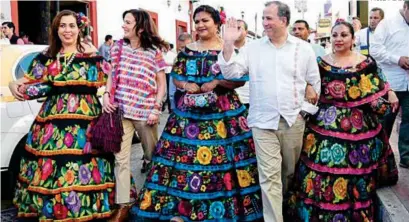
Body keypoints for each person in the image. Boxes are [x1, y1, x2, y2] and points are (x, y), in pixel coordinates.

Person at [131, 5, 263, 221]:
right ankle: (180, 210)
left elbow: (240, 78)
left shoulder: (228, 49)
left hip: (224, 116)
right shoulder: (187, 50)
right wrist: (185, 85)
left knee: (221, 162)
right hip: (188, 117)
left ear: (217, 23)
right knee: (184, 161)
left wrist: (218, 82)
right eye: (197, 21)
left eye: (205, 21)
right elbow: (176, 76)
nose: (200, 25)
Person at [9, 10, 120, 221]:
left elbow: (110, 76)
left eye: (71, 26)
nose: (67, 30)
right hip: (53, 120)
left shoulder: (90, 52)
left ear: (79, 29)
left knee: (83, 163)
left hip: (86, 118)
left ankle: (83, 208)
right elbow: (26, 79)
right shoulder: (48, 55)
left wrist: (106, 94)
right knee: (56, 164)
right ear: (56, 30)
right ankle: (56, 209)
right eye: (62, 26)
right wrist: (12, 84)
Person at [285, 20, 399, 222]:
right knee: (323, 164)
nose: (338, 39)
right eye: (335, 35)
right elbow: (303, 81)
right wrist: (309, 87)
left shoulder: (365, 62)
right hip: (325, 121)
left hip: (359, 122)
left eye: (344, 35)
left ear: (353, 39)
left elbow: (379, 79)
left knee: (357, 165)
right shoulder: (320, 62)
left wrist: (390, 93)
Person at [218, 1, 321, 221]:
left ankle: (285, 206)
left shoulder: (303, 49)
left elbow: (314, 82)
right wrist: (228, 43)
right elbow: (232, 72)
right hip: (262, 121)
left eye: (269, 18)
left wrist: (304, 110)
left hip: (293, 120)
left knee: (288, 173)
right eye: (263, 18)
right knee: (269, 176)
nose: (264, 23)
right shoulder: (253, 48)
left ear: (283, 21)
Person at [102, 9, 167, 221]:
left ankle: (154, 198)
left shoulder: (154, 51)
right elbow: (111, 76)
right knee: (121, 160)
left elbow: (161, 84)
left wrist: (157, 108)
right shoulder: (117, 47)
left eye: (127, 22)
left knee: (152, 156)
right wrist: (106, 96)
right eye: (124, 21)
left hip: (146, 114)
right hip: (121, 112)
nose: (123, 25)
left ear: (140, 26)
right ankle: (124, 206)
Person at [371, 0, 409, 168]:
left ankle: (406, 158)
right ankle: (379, 161)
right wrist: (397, 59)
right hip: (390, 85)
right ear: (406, 7)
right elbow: (375, 50)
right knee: (384, 124)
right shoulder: (387, 24)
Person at [167, 33, 193, 112]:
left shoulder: (199, 57)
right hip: (180, 96)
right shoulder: (177, 59)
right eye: (181, 48)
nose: (184, 50)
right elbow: (173, 80)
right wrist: (172, 99)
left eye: (187, 47)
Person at [234, 19, 250, 108]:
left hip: (249, 98)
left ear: (246, 32)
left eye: (239, 28)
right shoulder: (223, 48)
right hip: (230, 98)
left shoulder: (254, 49)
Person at [163, 43, 177, 113]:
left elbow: (175, 63)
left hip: (169, 73)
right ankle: (162, 107)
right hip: (162, 73)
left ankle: (170, 108)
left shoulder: (173, 55)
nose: (164, 49)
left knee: (169, 91)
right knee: (163, 90)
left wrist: (167, 64)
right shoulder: (161, 54)